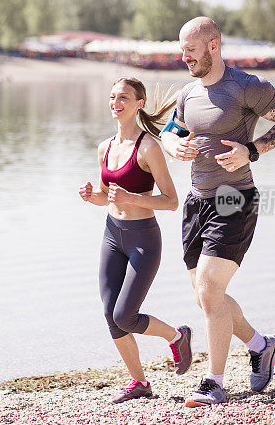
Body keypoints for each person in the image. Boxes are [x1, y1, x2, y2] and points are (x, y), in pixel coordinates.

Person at [159, 17, 275, 407]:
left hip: (234, 198)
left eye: (190, 49)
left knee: (208, 289)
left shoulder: (246, 86)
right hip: (197, 202)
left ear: (213, 45)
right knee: (208, 297)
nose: (183, 56)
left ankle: (214, 382)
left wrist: (252, 150)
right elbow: (170, 131)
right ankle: (260, 346)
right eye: (182, 49)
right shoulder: (189, 94)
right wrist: (172, 145)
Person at [79, 77, 192, 404]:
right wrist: (92, 197)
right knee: (109, 313)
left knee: (125, 315)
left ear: (139, 103)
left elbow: (171, 201)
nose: (116, 102)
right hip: (112, 235)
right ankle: (139, 382)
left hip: (144, 239)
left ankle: (177, 336)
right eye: (112, 97)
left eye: (124, 97)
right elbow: (106, 197)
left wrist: (132, 197)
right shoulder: (105, 147)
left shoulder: (149, 147)